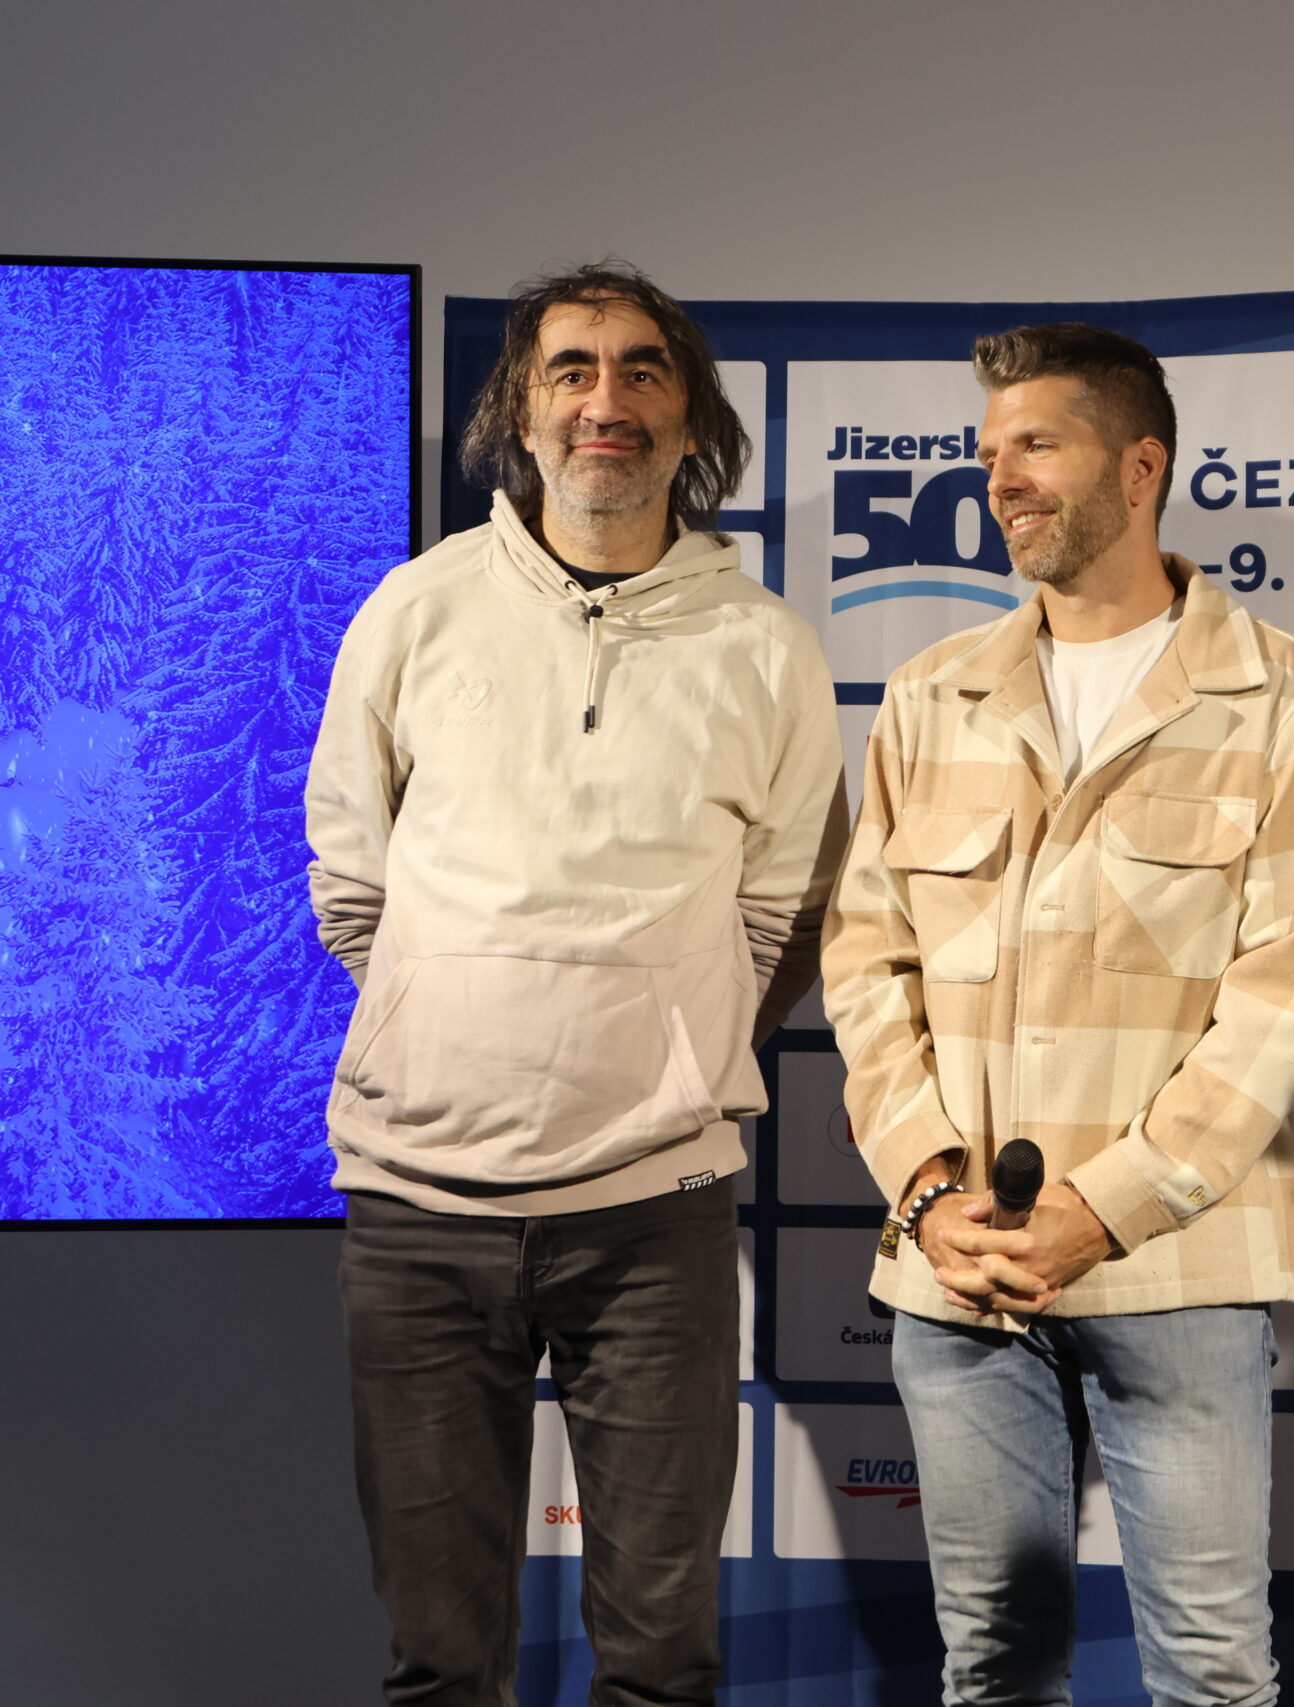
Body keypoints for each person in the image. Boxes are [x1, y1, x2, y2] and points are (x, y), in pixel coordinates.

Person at [306, 262, 846, 1706]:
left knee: (660, 1664)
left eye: (642, 371)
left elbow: (781, 914)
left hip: (654, 1209)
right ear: (521, 413)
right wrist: (452, 1016)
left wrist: (667, 1049)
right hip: (419, 1209)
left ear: (691, 422)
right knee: (439, 1664)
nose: (607, 400)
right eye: (572, 369)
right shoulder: (414, 611)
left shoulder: (768, 650)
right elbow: (353, 887)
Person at [823, 323, 1294, 1706]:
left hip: (1181, 1265)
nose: (1000, 479)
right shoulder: (929, 694)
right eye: (989, 452)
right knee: (993, 1674)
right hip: (959, 1270)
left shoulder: (1278, 692)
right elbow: (866, 967)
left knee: (1212, 1677)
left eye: (1037, 446)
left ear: (1140, 467)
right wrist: (929, 1189)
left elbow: (1287, 1000)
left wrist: (1101, 1209)